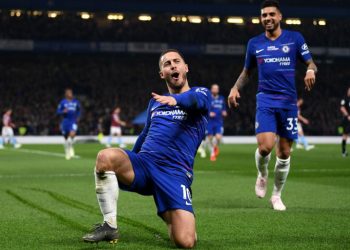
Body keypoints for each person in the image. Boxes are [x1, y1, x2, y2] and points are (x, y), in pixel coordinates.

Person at [82, 49, 210, 248]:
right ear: (162, 74)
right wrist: (131, 157)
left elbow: (198, 101)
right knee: (106, 157)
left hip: (174, 173)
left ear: (186, 68)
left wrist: (176, 100)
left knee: (185, 241)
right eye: (167, 64)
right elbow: (145, 134)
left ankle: (170, 212)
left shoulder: (200, 94)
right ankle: (110, 225)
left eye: (177, 61)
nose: (173, 65)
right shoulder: (155, 103)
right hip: (144, 164)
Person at [228, 0, 317, 211]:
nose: (267, 18)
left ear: (279, 17)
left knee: (285, 153)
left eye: (271, 14)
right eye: (264, 15)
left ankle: (276, 196)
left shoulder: (295, 39)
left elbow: (310, 62)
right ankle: (262, 174)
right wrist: (234, 88)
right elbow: (247, 71)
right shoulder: (254, 43)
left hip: (288, 102)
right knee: (265, 147)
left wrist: (311, 70)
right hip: (266, 99)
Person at [56, 88, 81, 160]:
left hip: (73, 121)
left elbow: (79, 110)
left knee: (72, 135)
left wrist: (78, 117)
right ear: (66, 94)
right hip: (65, 121)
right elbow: (58, 111)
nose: (71, 94)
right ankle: (67, 151)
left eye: (71, 93)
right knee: (66, 138)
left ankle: (70, 148)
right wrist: (63, 111)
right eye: (69, 93)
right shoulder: (63, 102)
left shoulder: (76, 102)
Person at [207, 84, 227, 161]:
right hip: (210, 121)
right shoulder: (208, 99)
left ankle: (215, 147)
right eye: (214, 88)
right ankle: (212, 154)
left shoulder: (221, 98)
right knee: (210, 138)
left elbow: (224, 108)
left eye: (217, 89)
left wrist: (224, 112)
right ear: (211, 90)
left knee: (218, 138)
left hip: (218, 121)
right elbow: (204, 109)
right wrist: (209, 113)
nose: (215, 90)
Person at [340, 87, 350, 157]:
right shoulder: (345, 99)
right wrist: (348, 116)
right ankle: (343, 152)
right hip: (347, 120)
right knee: (345, 135)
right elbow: (342, 108)